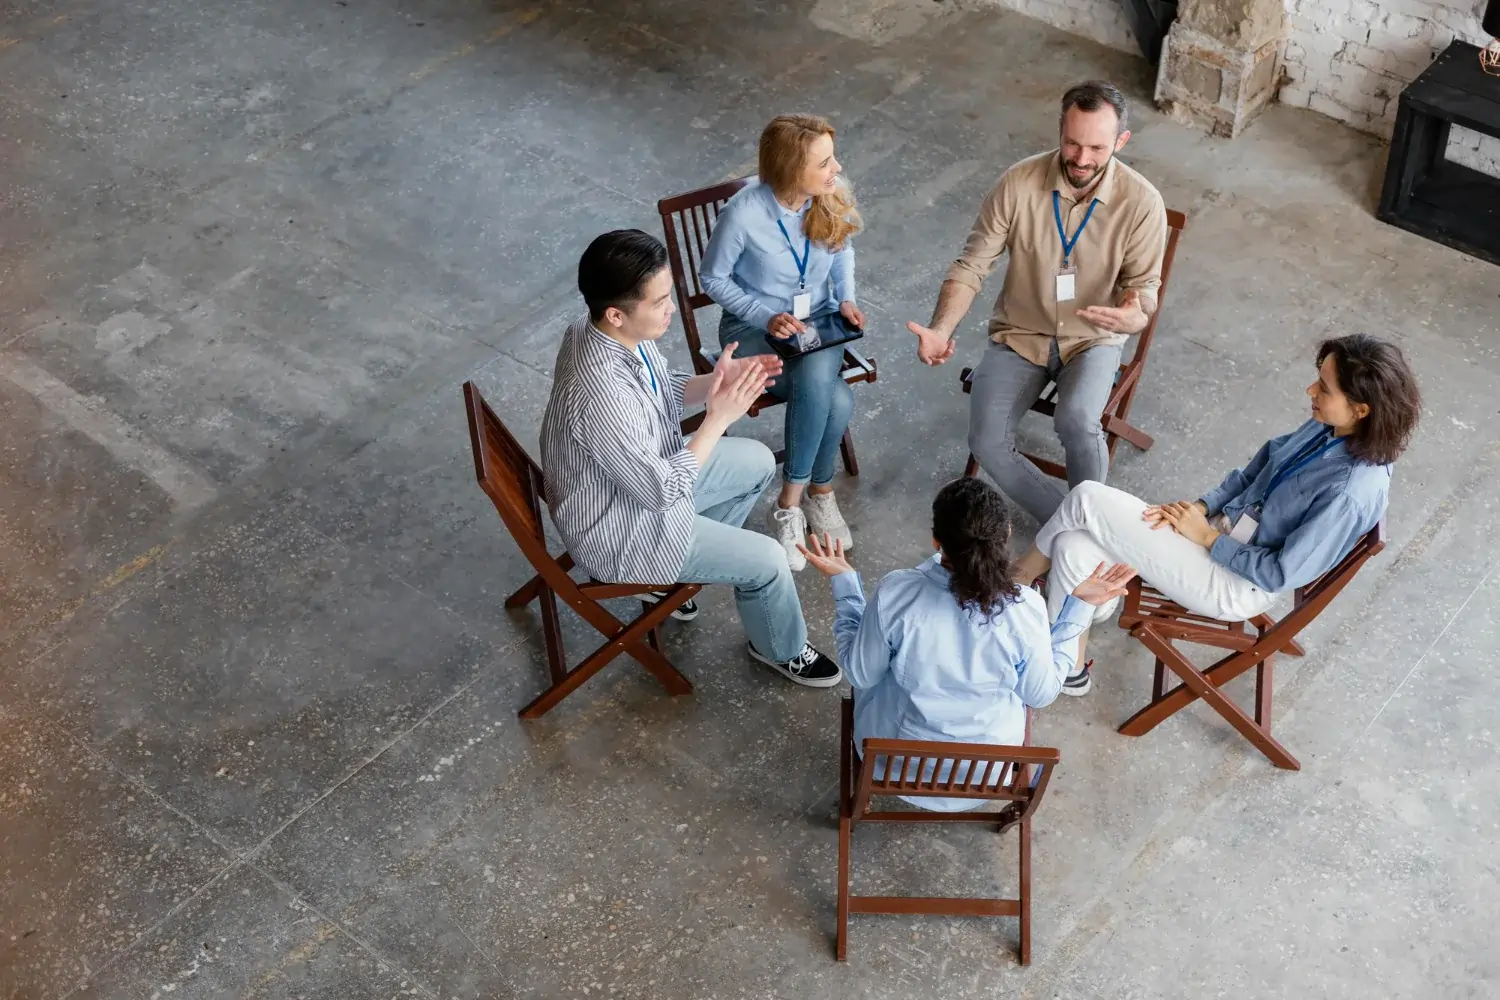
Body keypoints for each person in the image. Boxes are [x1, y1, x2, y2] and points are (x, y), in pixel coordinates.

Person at [1012, 334, 1422, 696]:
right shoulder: (1330, 426)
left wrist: (1207, 538)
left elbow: (1282, 573)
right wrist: (1202, 509)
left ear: (1362, 409)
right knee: (1071, 545)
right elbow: (1255, 471)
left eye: (1324, 387)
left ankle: (1015, 581)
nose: (1310, 389)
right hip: (1215, 533)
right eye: (1318, 376)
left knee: (1086, 497)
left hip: (1233, 580)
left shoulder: (1350, 492)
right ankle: (1071, 670)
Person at [540, 229, 842, 688]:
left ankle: (677, 578)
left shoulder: (599, 331)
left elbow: (661, 386)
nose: (669, 310)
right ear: (616, 313)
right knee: (766, 560)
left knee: (758, 461)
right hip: (622, 530)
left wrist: (715, 382)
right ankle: (779, 647)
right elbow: (661, 492)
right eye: (659, 302)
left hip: (632, 488)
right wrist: (716, 418)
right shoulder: (598, 393)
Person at [907, 80, 1168, 526]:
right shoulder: (1018, 182)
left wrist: (1131, 314)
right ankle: (1076, 526)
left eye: (1097, 148)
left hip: (1093, 339)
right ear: (1059, 130)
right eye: (1072, 143)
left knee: (1079, 423)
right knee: (986, 441)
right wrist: (942, 328)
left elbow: (1142, 290)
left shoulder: (1143, 203)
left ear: (1121, 141)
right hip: (1020, 333)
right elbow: (972, 265)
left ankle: (1086, 525)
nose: (1082, 159)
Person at [799, 478, 1136, 811]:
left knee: (881, 670)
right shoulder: (1026, 609)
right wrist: (1078, 610)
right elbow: (1040, 694)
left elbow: (861, 674)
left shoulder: (897, 594)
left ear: (936, 542)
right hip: (987, 777)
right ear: (1004, 536)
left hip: (894, 767)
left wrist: (846, 588)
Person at [701, 113, 866, 571]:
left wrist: (847, 299)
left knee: (818, 373)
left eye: (833, 158)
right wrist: (764, 315)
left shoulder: (828, 194)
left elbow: (843, 249)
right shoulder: (742, 214)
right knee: (836, 397)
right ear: (793, 171)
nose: (837, 169)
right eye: (825, 163)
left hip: (815, 320)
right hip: (752, 330)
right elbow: (712, 278)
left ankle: (791, 503)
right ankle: (815, 491)